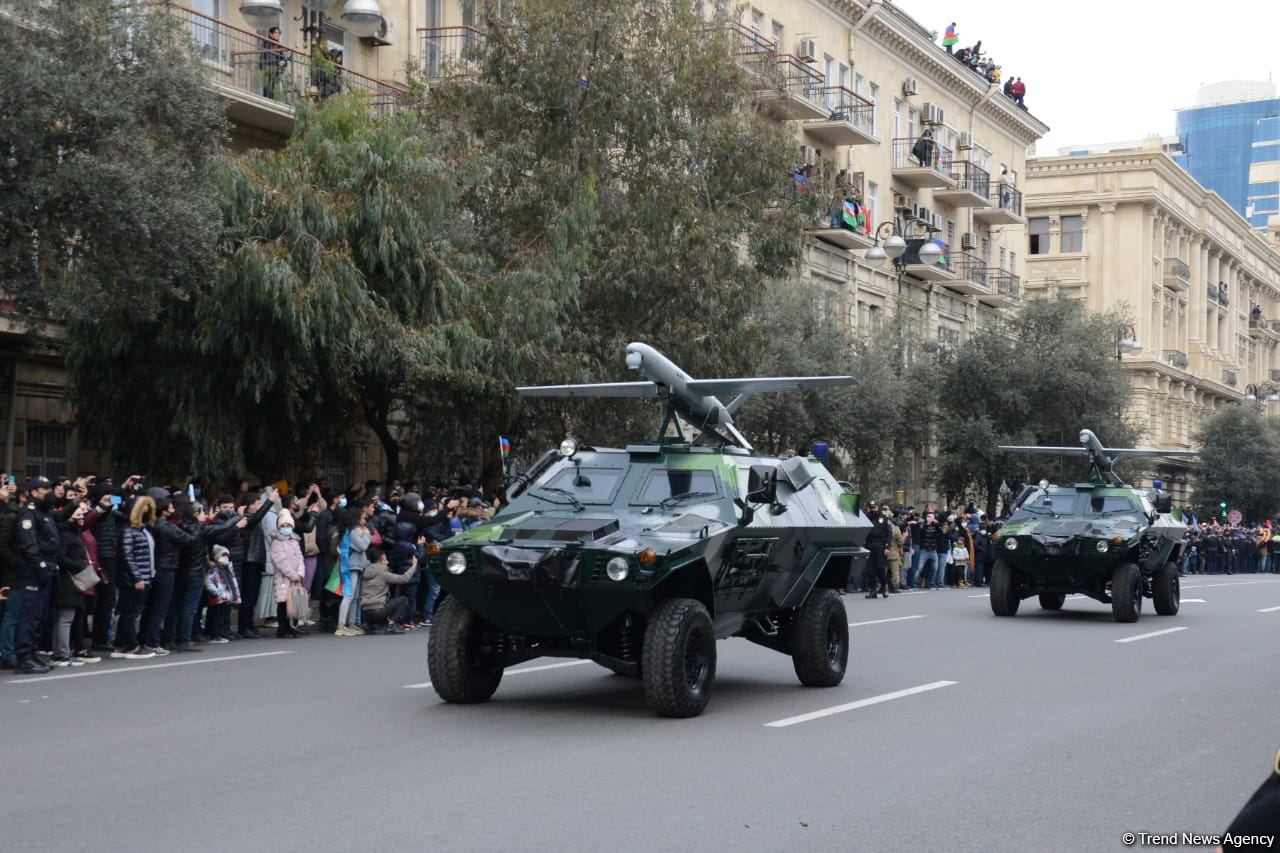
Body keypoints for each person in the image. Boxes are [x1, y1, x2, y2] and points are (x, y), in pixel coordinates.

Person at [13, 477, 60, 674]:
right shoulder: (28, 514)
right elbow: (29, 545)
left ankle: (32, 654)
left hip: (46, 569)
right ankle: (24, 657)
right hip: (33, 571)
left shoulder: (45, 513)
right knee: (29, 616)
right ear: (33, 492)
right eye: (44, 488)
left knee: (39, 616)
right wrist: (41, 567)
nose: (48, 491)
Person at [51, 502, 93, 667]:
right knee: (65, 618)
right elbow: (60, 557)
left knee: (65, 618)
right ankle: (62, 654)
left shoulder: (73, 532)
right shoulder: (66, 533)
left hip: (72, 580)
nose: (81, 516)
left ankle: (60, 652)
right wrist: (80, 565)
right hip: (67, 580)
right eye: (78, 513)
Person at [116, 496, 157, 659]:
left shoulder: (143, 530)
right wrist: (137, 578)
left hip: (144, 577)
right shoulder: (128, 531)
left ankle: (120, 645)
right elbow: (127, 556)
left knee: (130, 612)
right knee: (130, 613)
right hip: (132, 580)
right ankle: (131, 646)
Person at [359, 547, 418, 633]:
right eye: (385, 560)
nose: (388, 562)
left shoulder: (366, 572)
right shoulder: (383, 573)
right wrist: (414, 566)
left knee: (386, 600)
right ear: (379, 562)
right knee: (403, 600)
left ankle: (369, 624)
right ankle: (391, 625)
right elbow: (404, 579)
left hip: (365, 612)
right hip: (377, 611)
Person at [335, 504, 372, 636]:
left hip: (357, 566)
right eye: (363, 519)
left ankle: (351, 624)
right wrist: (367, 534)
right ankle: (341, 625)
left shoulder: (353, 531)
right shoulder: (353, 532)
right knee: (349, 595)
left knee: (355, 597)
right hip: (351, 566)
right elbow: (363, 546)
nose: (365, 522)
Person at [269, 508, 306, 638]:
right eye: (283, 525)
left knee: (294, 603)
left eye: (288, 525)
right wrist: (293, 574)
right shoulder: (277, 542)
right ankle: (283, 629)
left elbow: (300, 558)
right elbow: (280, 562)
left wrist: (300, 573)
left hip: (296, 578)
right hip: (284, 578)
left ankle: (292, 627)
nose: (286, 528)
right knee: (283, 603)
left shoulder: (294, 540)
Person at [862, 502, 890, 599]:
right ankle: (873, 590)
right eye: (871, 507)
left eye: (874, 507)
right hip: (869, 545)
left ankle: (884, 586)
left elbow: (888, 533)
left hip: (880, 546)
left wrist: (887, 547)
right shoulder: (866, 517)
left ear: (877, 507)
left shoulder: (883, 518)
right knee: (870, 569)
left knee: (880, 568)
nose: (873, 509)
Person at [259, 26, 289, 102]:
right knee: (268, 89)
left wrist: (284, 62)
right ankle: (267, 101)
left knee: (273, 89)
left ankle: (272, 100)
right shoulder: (266, 44)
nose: (278, 35)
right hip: (268, 69)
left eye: (279, 33)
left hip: (275, 71)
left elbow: (284, 59)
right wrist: (278, 63)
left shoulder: (278, 46)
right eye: (276, 33)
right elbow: (267, 58)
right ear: (270, 34)